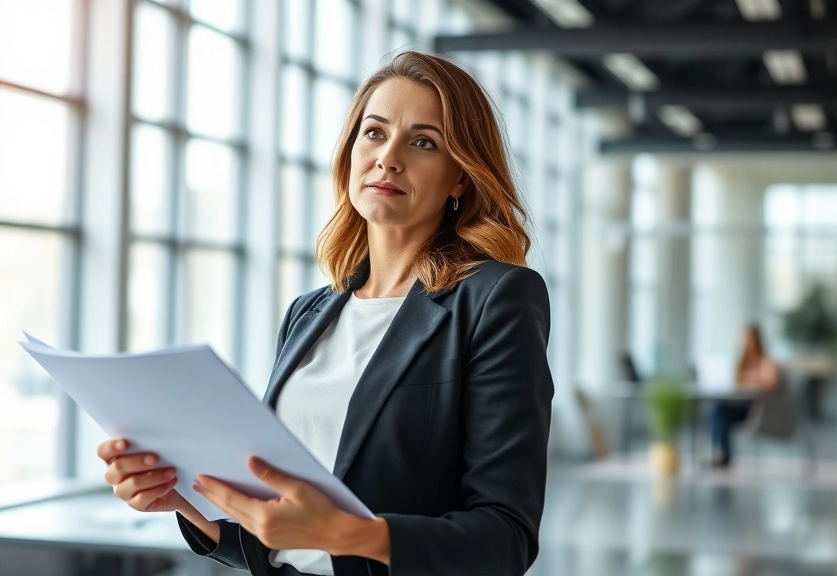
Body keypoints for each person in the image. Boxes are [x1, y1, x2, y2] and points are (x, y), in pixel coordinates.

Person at [97, 51, 553, 576]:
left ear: (460, 179)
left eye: (423, 142)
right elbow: (277, 538)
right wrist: (180, 497)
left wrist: (344, 533)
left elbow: (505, 539)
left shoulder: (497, 299)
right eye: (374, 133)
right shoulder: (308, 313)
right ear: (351, 151)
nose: (389, 158)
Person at [710, 323, 780, 468]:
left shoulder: (765, 360)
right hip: (741, 402)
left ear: (756, 339)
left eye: (748, 338)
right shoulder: (741, 362)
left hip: (758, 409)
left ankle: (722, 454)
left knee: (721, 412)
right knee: (718, 410)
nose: (745, 342)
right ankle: (720, 452)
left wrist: (753, 378)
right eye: (743, 339)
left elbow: (772, 383)